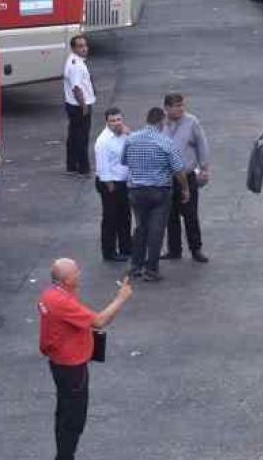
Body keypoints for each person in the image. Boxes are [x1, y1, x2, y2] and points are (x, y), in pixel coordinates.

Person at [38, 258, 133, 460]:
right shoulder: (62, 302)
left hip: (62, 363)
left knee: (65, 416)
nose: (79, 274)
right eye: (76, 273)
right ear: (66, 280)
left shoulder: (50, 295)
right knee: (73, 419)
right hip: (72, 368)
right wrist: (121, 298)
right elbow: (99, 321)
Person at [120, 107, 190, 282]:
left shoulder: (131, 139)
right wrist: (185, 188)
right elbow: (178, 169)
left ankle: (135, 266)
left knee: (140, 227)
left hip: (136, 191)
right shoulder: (165, 142)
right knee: (156, 231)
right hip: (159, 191)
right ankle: (151, 269)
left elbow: (124, 161)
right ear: (160, 122)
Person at [160, 93, 211, 263]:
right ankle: (174, 249)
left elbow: (202, 145)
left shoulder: (192, 122)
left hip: (187, 175)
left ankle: (196, 249)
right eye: (176, 106)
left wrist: (204, 168)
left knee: (190, 214)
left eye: (182, 105)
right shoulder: (161, 123)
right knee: (170, 215)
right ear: (166, 108)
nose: (181, 109)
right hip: (167, 177)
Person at [93, 107, 132, 262]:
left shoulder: (124, 135)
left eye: (119, 120)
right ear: (107, 122)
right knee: (111, 218)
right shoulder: (103, 141)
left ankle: (126, 247)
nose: (116, 123)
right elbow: (103, 167)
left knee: (125, 216)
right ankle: (109, 252)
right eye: (113, 121)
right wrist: (110, 186)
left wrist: (129, 133)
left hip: (123, 182)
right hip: (110, 184)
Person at [63, 36, 96, 176]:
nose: (84, 48)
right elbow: (77, 88)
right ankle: (83, 168)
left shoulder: (72, 60)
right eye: (80, 46)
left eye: (85, 45)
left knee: (73, 136)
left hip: (71, 104)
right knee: (82, 137)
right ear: (74, 48)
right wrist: (84, 105)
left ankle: (72, 165)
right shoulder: (76, 65)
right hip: (79, 105)